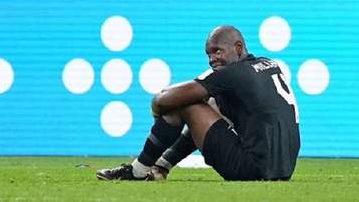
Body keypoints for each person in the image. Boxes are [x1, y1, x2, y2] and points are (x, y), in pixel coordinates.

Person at [96, 26, 300, 182]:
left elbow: (163, 98)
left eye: (217, 51)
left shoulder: (232, 74)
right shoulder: (270, 65)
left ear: (238, 48)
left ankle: (137, 172)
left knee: (186, 104)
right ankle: (160, 167)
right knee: (210, 106)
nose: (212, 59)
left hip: (252, 170)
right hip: (284, 170)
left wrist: (157, 111)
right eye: (208, 54)